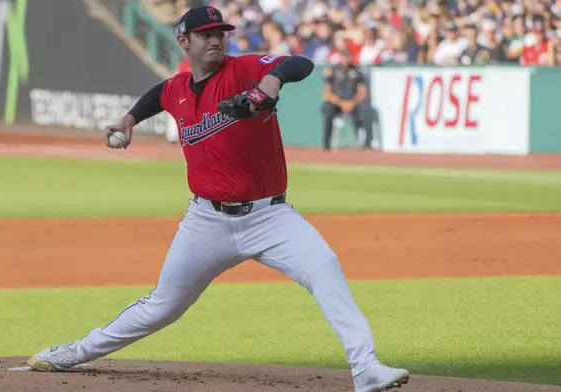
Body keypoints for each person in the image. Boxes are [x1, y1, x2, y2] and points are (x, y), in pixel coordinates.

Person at [27, 6, 410, 392]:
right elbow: (159, 94)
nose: (215, 39)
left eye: (220, 33)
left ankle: (365, 368)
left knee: (324, 265)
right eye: (205, 34)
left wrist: (272, 80)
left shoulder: (244, 69)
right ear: (184, 41)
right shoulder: (177, 87)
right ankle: (76, 352)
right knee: (163, 306)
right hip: (205, 222)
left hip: (270, 217)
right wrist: (129, 120)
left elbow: (301, 63)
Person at [321, 47, 372, 150]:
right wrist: (341, 103)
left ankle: (367, 143)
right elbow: (327, 92)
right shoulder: (332, 71)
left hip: (353, 103)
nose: (343, 59)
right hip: (337, 103)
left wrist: (352, 102)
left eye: (346, 56)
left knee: (365, 109)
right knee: (327, 108)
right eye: (342, 56)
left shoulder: (357, 72)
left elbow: (362, 92)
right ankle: (327, 144)